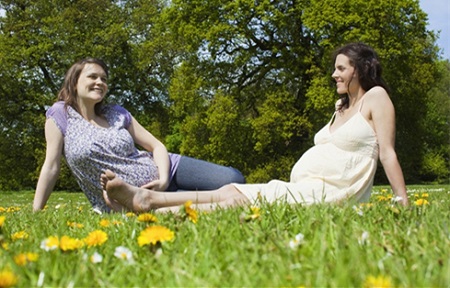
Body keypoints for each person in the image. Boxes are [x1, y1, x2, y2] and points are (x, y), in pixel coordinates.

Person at [101, 42, 409, 213]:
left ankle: (148, 203)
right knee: (229, 192)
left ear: (359, 69)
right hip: (310, 187)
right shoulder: (340, 106)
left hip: (334, 194)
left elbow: (388, 154)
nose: (334, 74)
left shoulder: (376, 98)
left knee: (237, 198)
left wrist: (402, 202)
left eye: (340, 68)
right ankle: (147, 204)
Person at [33, 58, 245, 213]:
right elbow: (51, 166)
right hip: (127, 196)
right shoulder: (61, 114)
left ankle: (173, 191)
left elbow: (157, 146)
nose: (100, 82)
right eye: (93, 77)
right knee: (223, 201)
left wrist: (162, 179)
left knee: (234, 179)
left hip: (167, 170)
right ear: (74, 82)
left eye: (104, 79)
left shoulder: (116, 113)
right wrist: (37, 211)